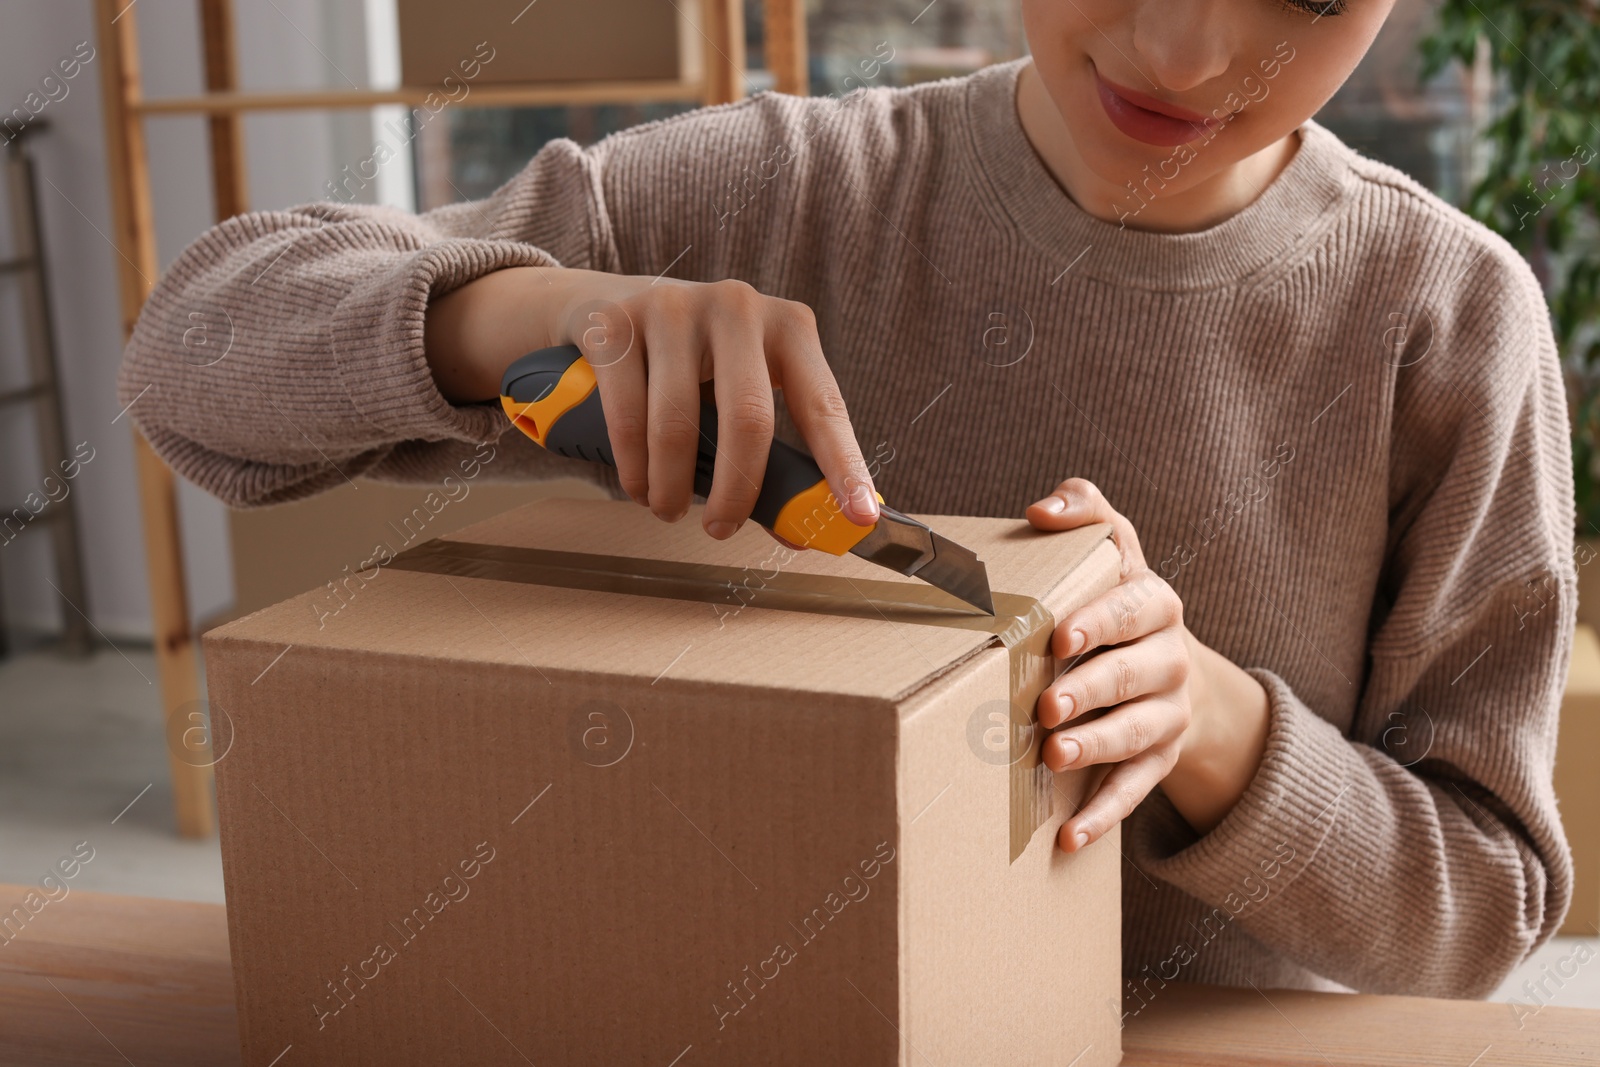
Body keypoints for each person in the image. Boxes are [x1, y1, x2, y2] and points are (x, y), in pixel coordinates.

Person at [119, 0, 1576, 1004]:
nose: (1187, 52)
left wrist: (1210, 722)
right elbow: (189, 362)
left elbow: (1487, 905)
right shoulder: (784, 197)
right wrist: (534, 311)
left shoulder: (1444, 318)